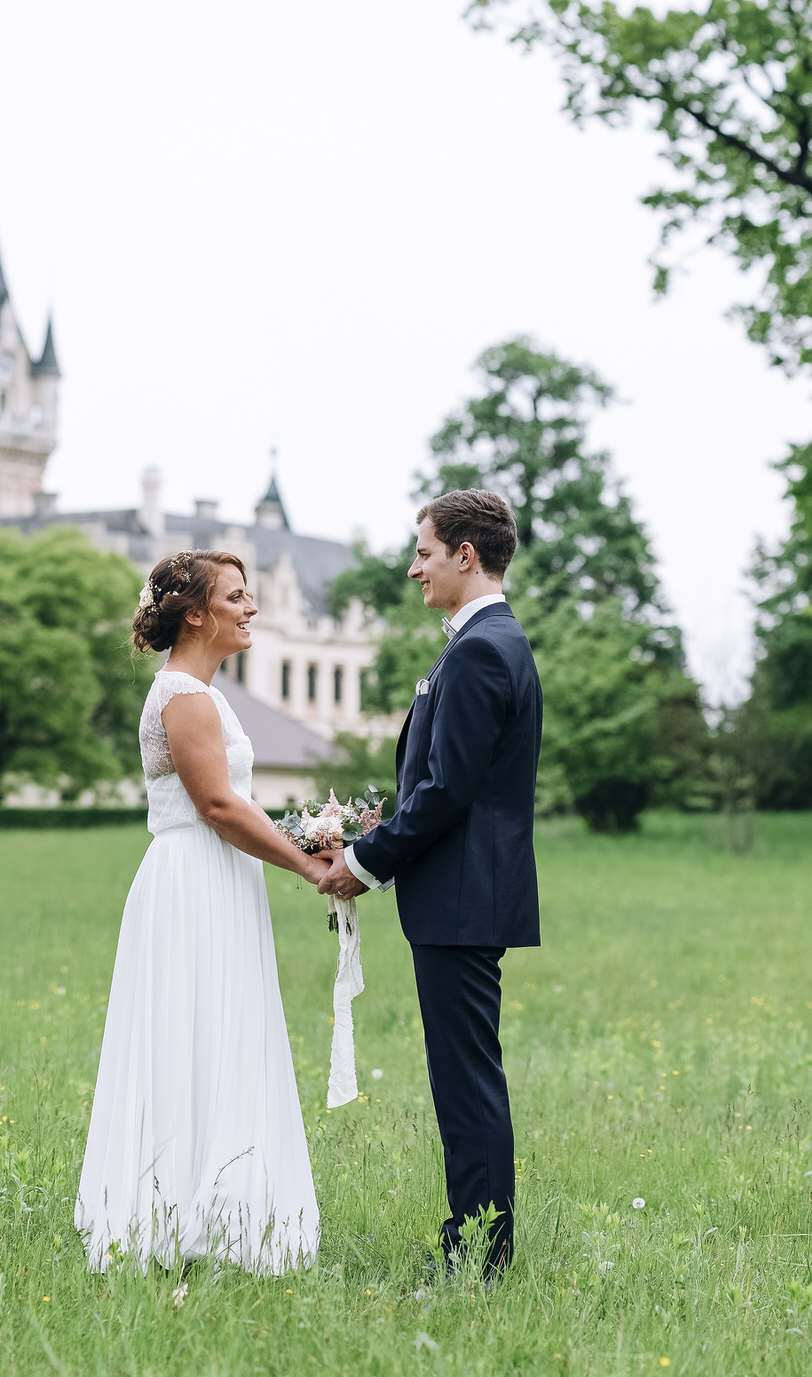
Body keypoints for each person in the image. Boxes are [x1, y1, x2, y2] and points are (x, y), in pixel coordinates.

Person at [74, 549, 341, 1272]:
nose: (251, 608)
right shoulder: (184, 697)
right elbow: (219, 805)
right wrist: (311, 867)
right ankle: (176, 1214)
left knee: (220, 1029)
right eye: (237, 596)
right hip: (192, 880)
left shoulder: (204, 694)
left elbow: (236, 803)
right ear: (196, 613)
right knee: (189, 1031)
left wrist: (309, 833)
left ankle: (216, 1211)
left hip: (219, 878)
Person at [322, 489, 542, 1279]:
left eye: (422, 552)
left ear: (465, 555)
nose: (413, 568)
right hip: (460, 895)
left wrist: (361, 862)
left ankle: (479, 1255)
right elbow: (449, 785)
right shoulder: (482, 642)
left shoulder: (482, 648)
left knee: (467, 1082)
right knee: (464, 1078)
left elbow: (449, 792)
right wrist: (378, 831)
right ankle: (476, 1242)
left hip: (461, 896)